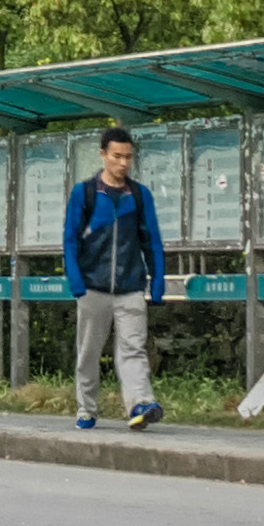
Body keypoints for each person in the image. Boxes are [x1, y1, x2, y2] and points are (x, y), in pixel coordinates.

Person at [60, 126, 168, 432]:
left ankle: (140, 405)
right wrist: (76, 281)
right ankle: (87, 408)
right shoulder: (85, 193)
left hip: (130, 286)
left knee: (133, 348)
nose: (123, 163)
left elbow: (153, 241)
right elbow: (70, 240)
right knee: (89, 352)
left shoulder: (139, 195)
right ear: (103, 155)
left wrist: (157, 279)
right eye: (117, 156)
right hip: (92, 286)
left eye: (128, 157)